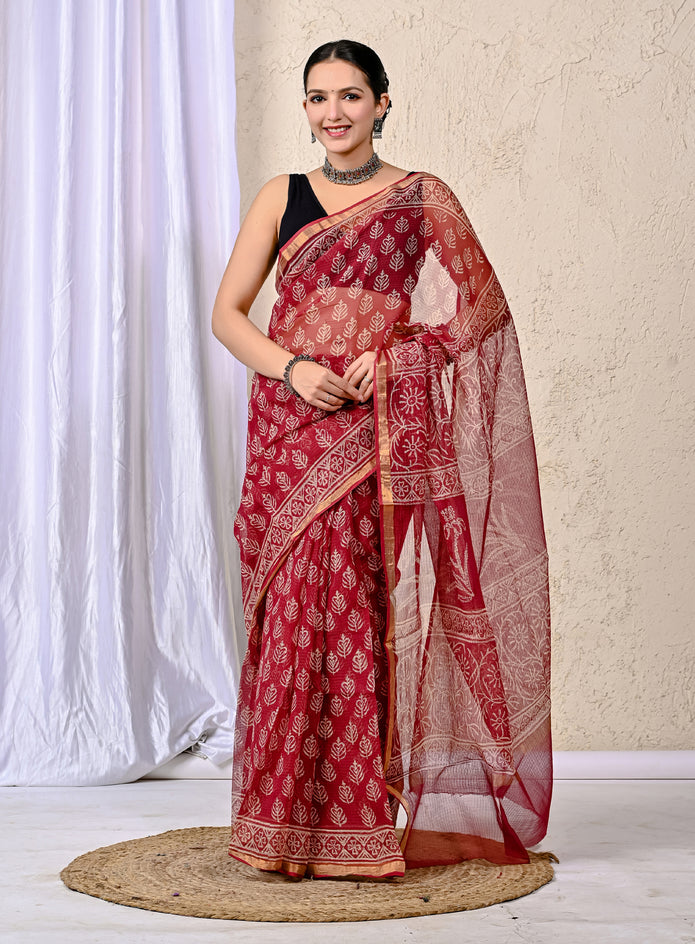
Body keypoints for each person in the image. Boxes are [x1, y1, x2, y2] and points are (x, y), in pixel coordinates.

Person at [212, 39, 552, 880]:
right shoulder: (281, 196)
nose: (334, 113)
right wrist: (294, 368)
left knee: (355, 613)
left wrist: (399, 356)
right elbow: (228, 315)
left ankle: (352, 828)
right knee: (290, 620)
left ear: (383, 102)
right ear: (305, 109)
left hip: (376, 435)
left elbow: (480, 311)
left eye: (350, 96)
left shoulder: (421, 196)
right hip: (290, 427)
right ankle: (278, 828)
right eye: (318, 97)